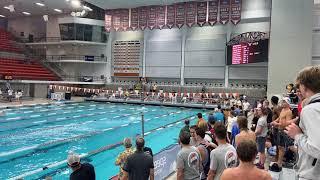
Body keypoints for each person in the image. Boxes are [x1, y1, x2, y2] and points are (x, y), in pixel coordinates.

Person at [285, 66, 320, 180]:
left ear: (304, 86)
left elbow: (317, 149)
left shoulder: (311, 110)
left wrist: (297, 135)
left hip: (312, 174)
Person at [271, 98, 294, 170]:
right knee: (280, 147)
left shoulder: (288, 112)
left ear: (288, 103)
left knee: (290, 147)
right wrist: (274, 121)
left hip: (284, 131)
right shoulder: (283, 110)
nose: (282, 103)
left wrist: (276, 124)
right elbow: (279, 118)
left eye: (284, 102)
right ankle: (279, 162)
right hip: (280, 131)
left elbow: (286, 123)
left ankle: (300, 157)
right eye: (282, 101)